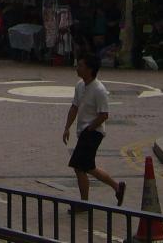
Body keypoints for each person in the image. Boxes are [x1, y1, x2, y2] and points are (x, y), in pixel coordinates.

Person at [62, 53, 126, 210]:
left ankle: (84, 203)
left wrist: (89, 128)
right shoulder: (80, 85)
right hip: (84, 131)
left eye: (80, 66)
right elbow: (74, 107)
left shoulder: (99, 90)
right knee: (89, 167)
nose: (77, 68)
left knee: (78, 167)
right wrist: (67, 127)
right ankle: (117, 187)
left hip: (93, 132)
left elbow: (104, 115)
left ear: (90, 69)